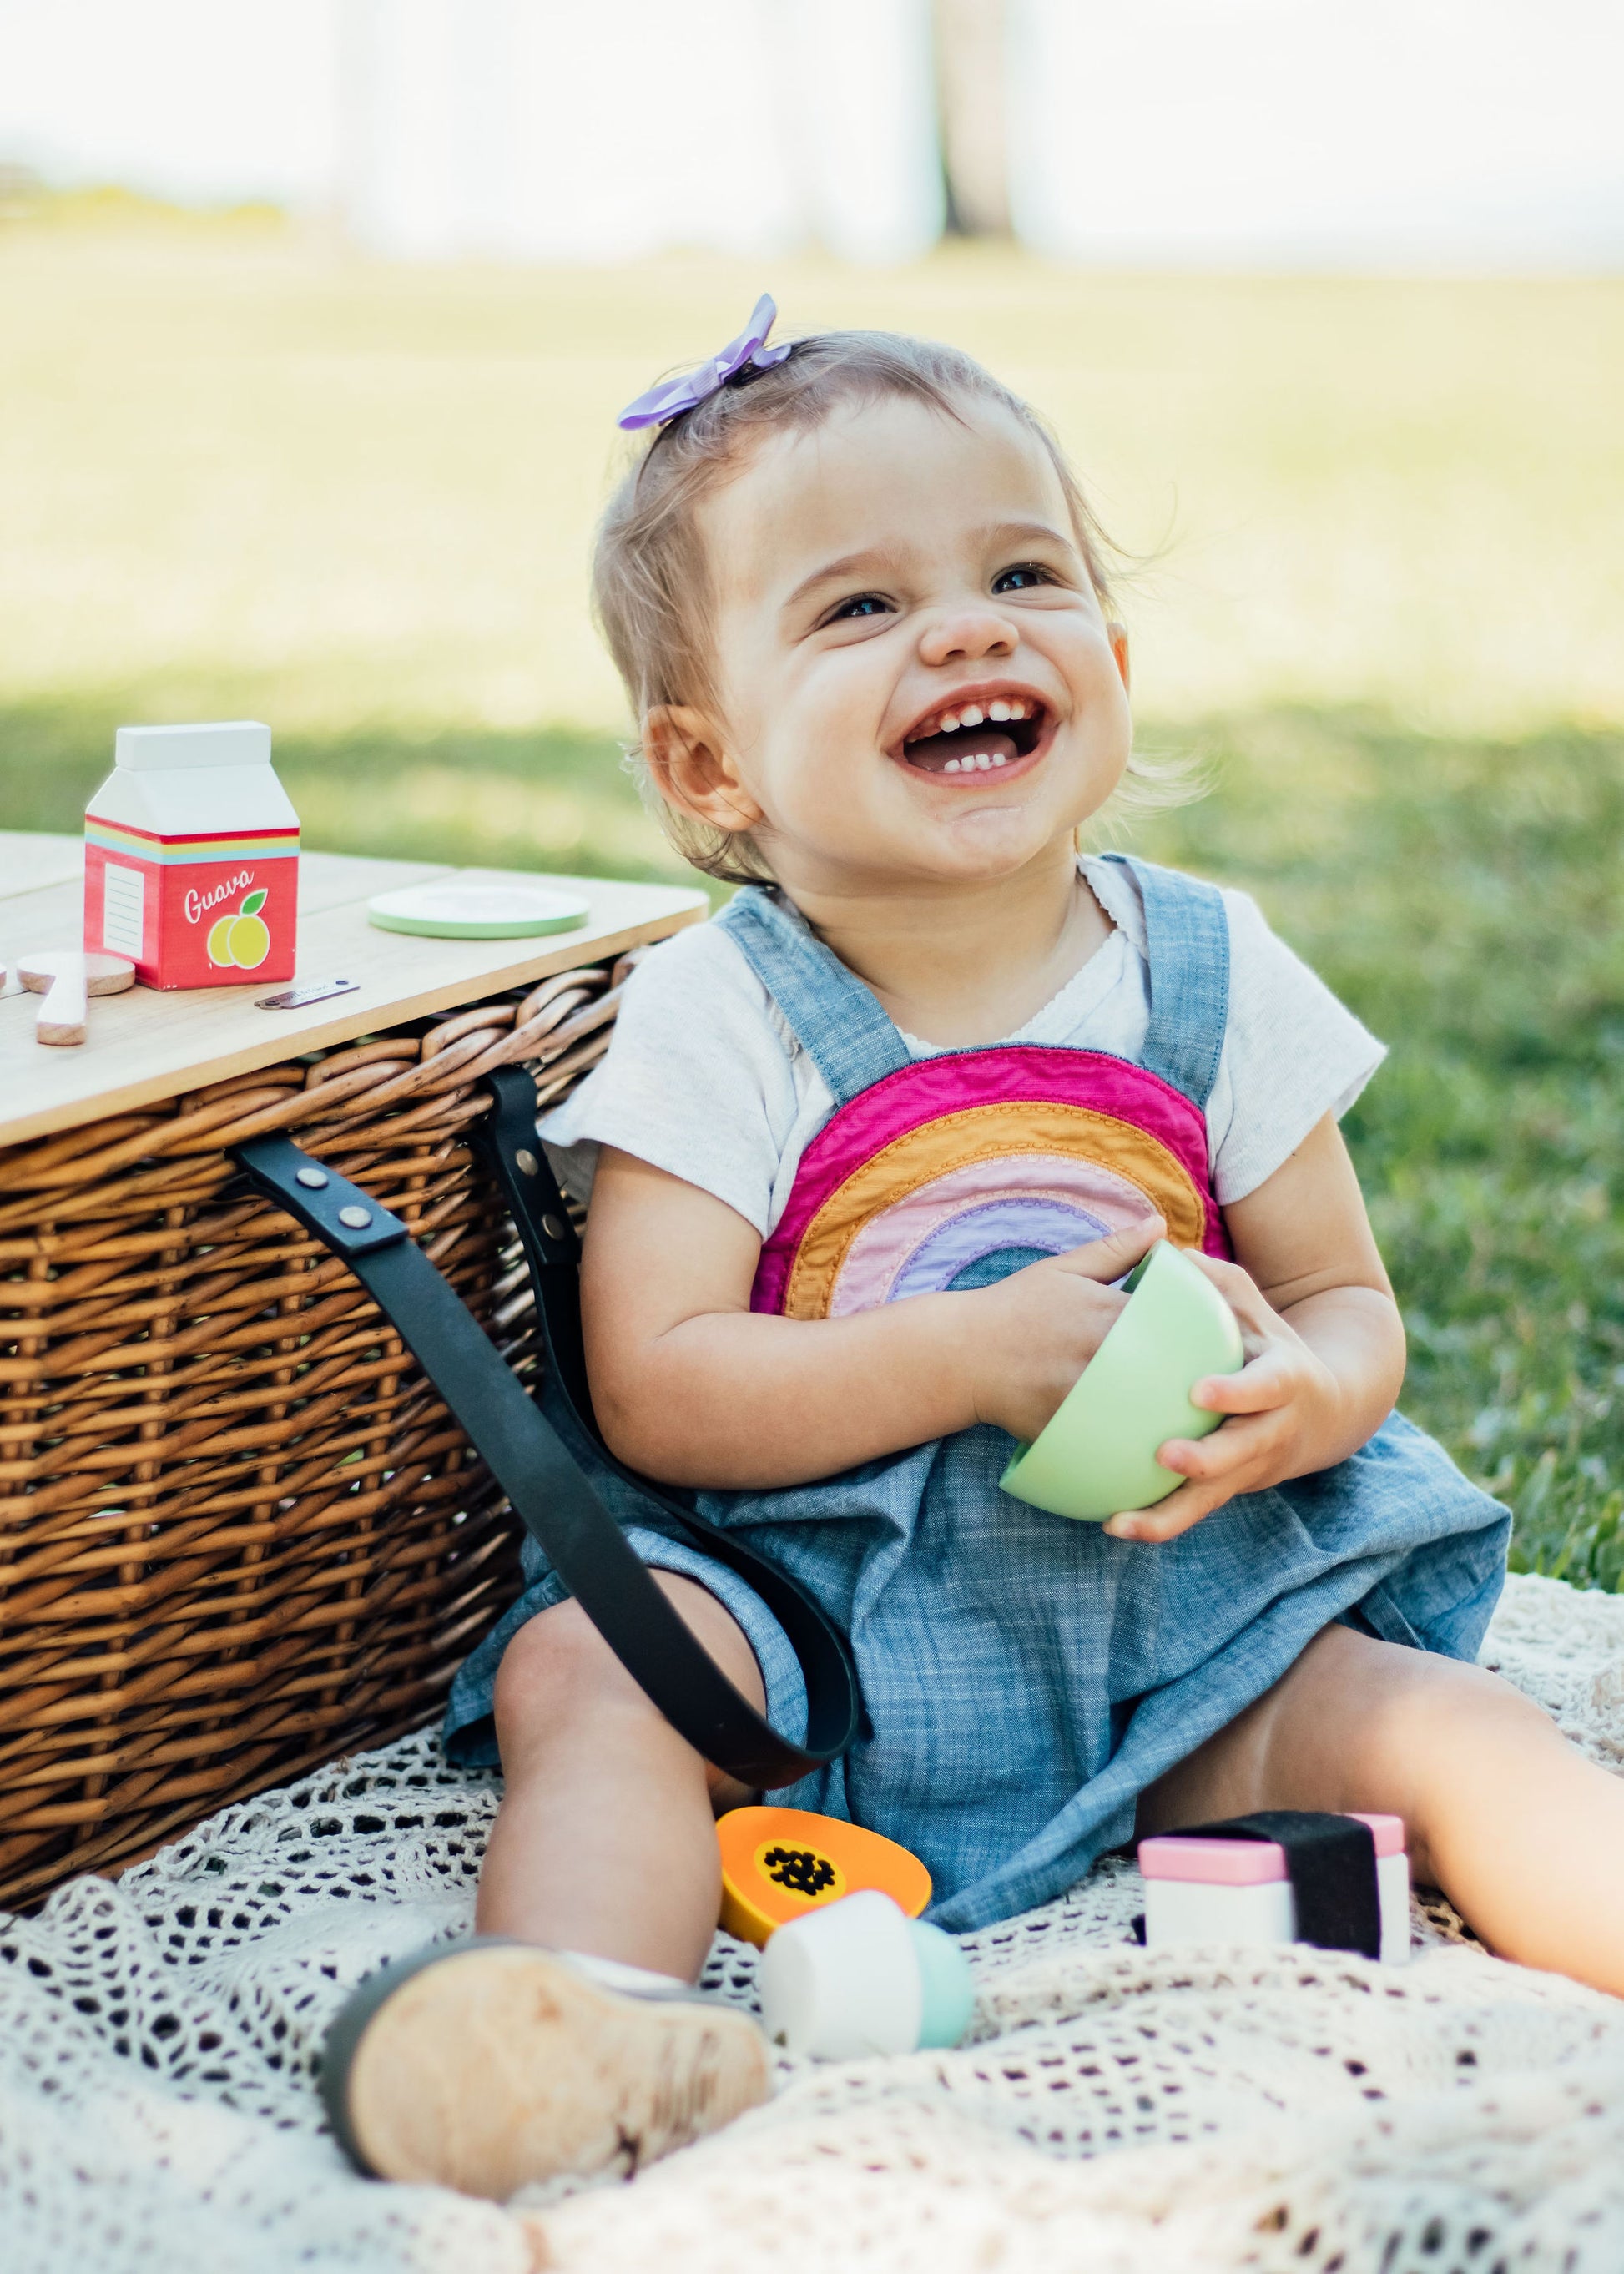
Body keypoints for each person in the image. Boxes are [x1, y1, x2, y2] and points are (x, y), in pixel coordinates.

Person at [324, 301, 1624, 2202]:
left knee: (1438, 1720)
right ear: (708, 769)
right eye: (856, 609)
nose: (964, 630)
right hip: (805, 1651)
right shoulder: (719, 1016)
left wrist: (1303, 1397)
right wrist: (962, 1358)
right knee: (594, 1675)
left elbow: (1349, 1304)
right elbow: (659, 1388)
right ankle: (573, 2023)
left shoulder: (1209, 967)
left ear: (1113, 653)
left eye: (1025, 572)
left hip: (1181, 1635)